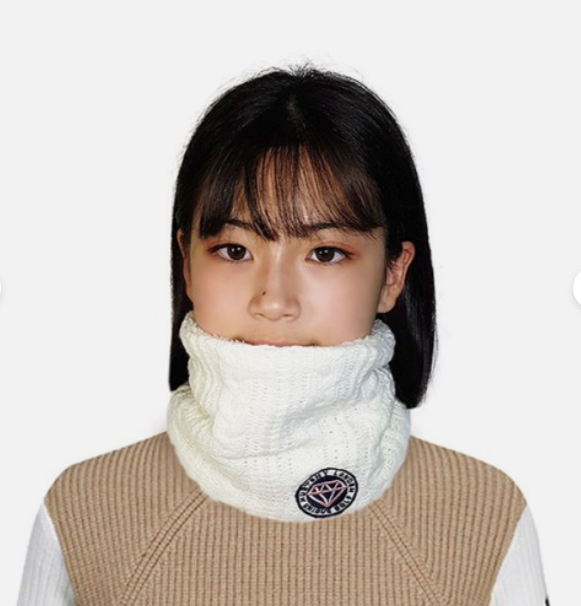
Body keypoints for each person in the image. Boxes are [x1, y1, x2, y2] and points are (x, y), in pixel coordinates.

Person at [17, 64, 549, 606]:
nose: (273, 300)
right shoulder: (84, 511)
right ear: (187, 265)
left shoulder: (486, 516)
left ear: (393, 274)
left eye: (325, 253)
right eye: (235, 251)